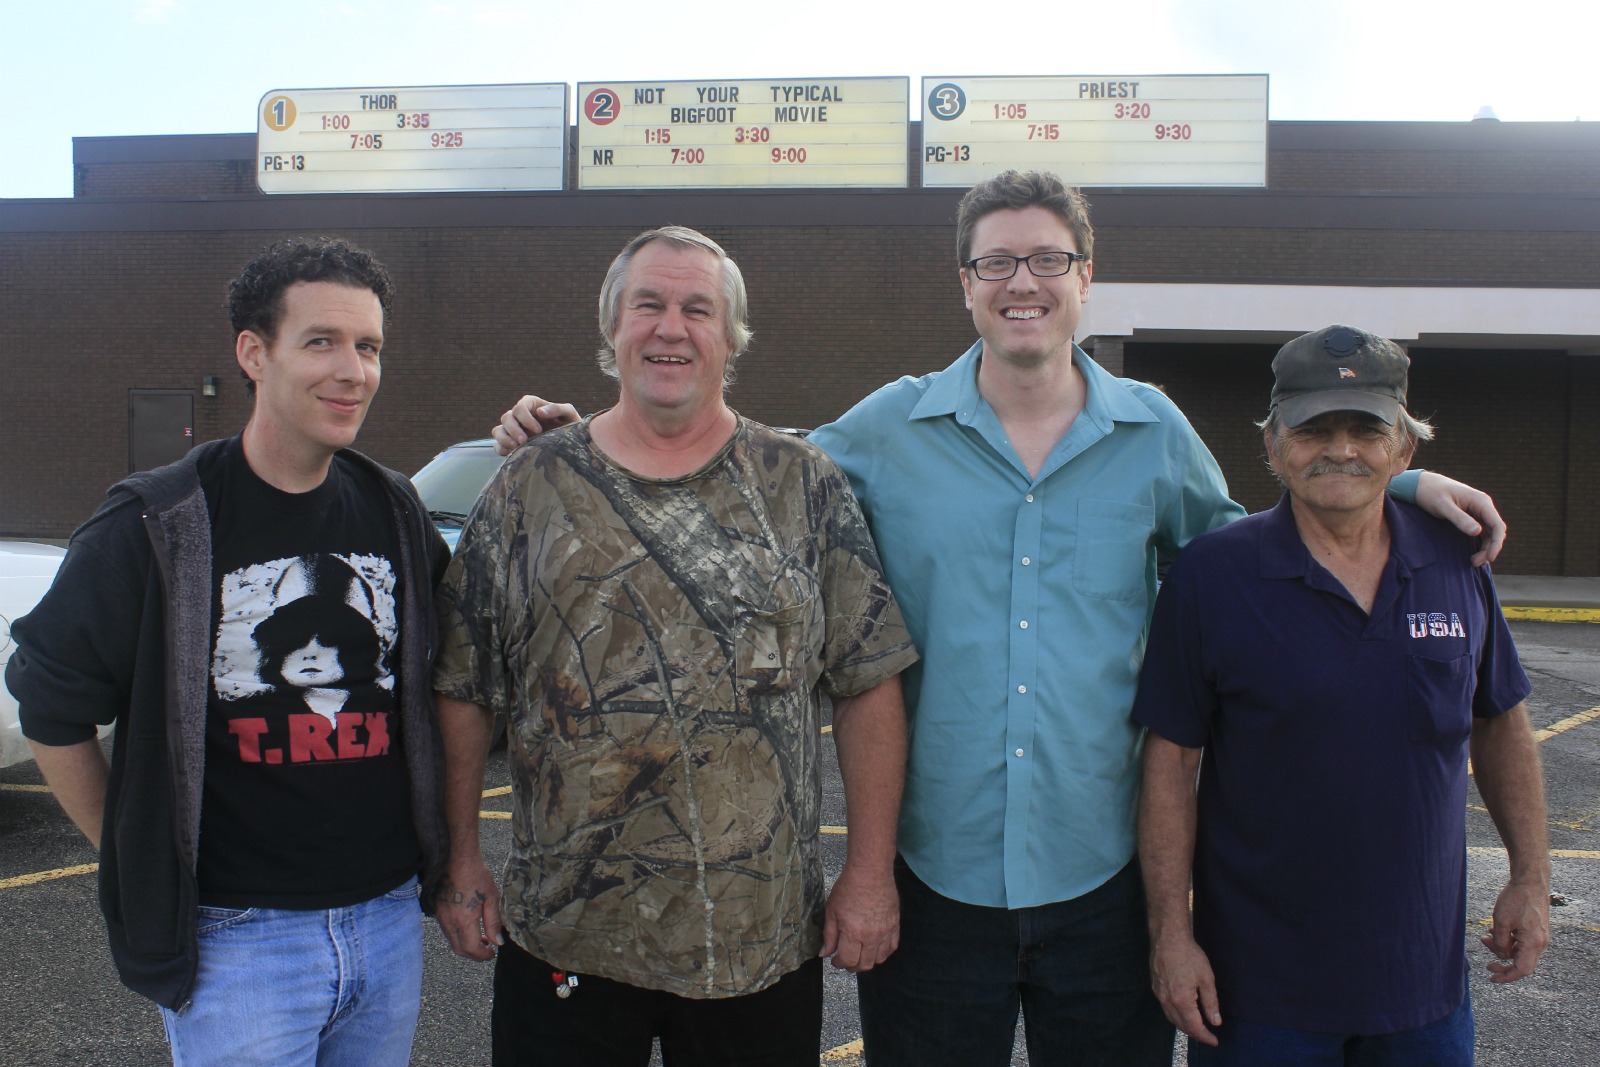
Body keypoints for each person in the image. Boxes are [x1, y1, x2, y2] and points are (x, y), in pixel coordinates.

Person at [491, 172, 1509, 1065]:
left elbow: (1257, 548)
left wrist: (1400, 478)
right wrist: (580, 436)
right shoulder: (885, 429)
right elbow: (725, 460)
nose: (1023, 281)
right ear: (965, 284)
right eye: (996, 262)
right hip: (934, 875)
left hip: (1105, 873)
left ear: (1084, 276)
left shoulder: (1152, 430)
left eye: (1047, 259)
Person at [432, 225, 918, 1066]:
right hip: (567, 937)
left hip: (756, 944)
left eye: (698, 308)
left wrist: (869, 872)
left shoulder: (803, 484)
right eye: (647, 304)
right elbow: (464, 685)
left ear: (730, 338)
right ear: (611, 330)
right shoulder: (529, 484)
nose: (670, 327)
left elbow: (869, 683)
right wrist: (461, 855)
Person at [6, 238, 451, 1066]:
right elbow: (50, 700)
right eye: (321, 341)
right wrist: (133, 853)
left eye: (369, 346)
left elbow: (459, 670)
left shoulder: (393, 509)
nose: (352, 369)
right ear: (254, 353)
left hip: (386, 921)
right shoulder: (156, 520)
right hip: (236, 939)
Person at [1133, 324, 1549, 1066]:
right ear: (1272, 445)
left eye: (1366, 428)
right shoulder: (1210, 577)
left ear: (1404, 449)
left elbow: (1501, 720)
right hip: (1258, 997)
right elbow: (1170, 765)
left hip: (1425, 994)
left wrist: (1530, 877)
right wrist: (1172, 934)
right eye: (1313, 428)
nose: (1341, 448)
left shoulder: (1458, 561)